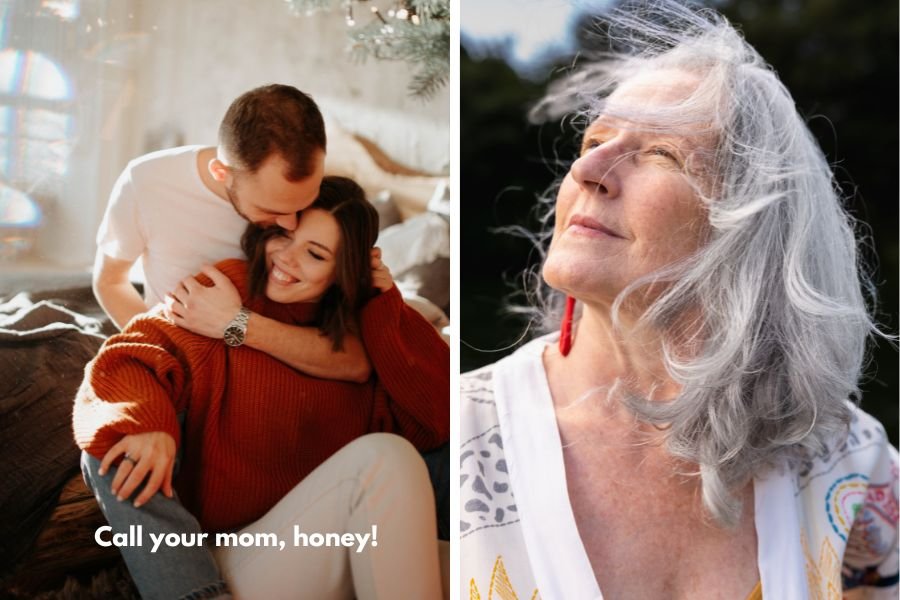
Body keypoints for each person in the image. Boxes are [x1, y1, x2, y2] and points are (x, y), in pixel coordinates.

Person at [460, 3, 898, 600]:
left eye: (661, 154)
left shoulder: (850, 463)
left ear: (750, 227)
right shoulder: (460, 434)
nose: (589, 169)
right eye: (594, 140)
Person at [75, 176, 450, 599]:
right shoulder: (226, 289)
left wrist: (381, 300)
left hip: (332, 541)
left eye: (315, 254)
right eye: (284, 236)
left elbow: (437, 421)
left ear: (344, 272)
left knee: (474, 565)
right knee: (384, 457)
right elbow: (124, 358)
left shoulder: (356, 330)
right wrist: (149, 422)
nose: (287, 258)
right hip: (240, 559)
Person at [93, 83, 371, 383]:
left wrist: (235, 324)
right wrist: (160, 353)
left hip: (273, 375)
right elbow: (110, 280)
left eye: (304, 202)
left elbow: (353, 354)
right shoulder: (147, 181)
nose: (291, 224)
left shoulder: (313, 194)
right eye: (271, 210)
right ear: (221, 173)